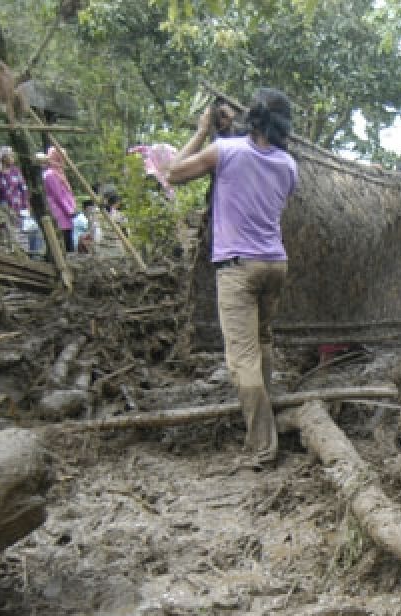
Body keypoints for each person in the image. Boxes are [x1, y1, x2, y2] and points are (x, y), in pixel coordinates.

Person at [168, 87, 298, 471]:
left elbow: (173, 173)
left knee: (241, 358)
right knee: (262, 343)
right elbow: (252, 168)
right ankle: (268, 421)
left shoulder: (227, 152)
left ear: (251, 119)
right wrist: (224, 134)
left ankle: (262, 447)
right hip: (275, 263)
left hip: (238, 268)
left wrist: (202, 129)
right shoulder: (288, 165)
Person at [0, 146, 28, 250]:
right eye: (10, 155)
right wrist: (0, 173)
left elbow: (23, 187)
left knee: (16, 230)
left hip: (16, 205)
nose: (12, 157)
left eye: (12, 155)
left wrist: (25, 205)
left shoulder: (16, 171)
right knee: (3, 228)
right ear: (3, 157)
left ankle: (18, 250)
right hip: (1, 206)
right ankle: (5, 250)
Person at [41, 146, 76, 256]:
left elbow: (67, 193)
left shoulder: (60, 173)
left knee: (69, 241)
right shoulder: (50, 174)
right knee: (63, 242)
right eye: (61, 158)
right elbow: (58, 196)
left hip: (66, 215)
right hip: (59, 213)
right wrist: (69, 210)